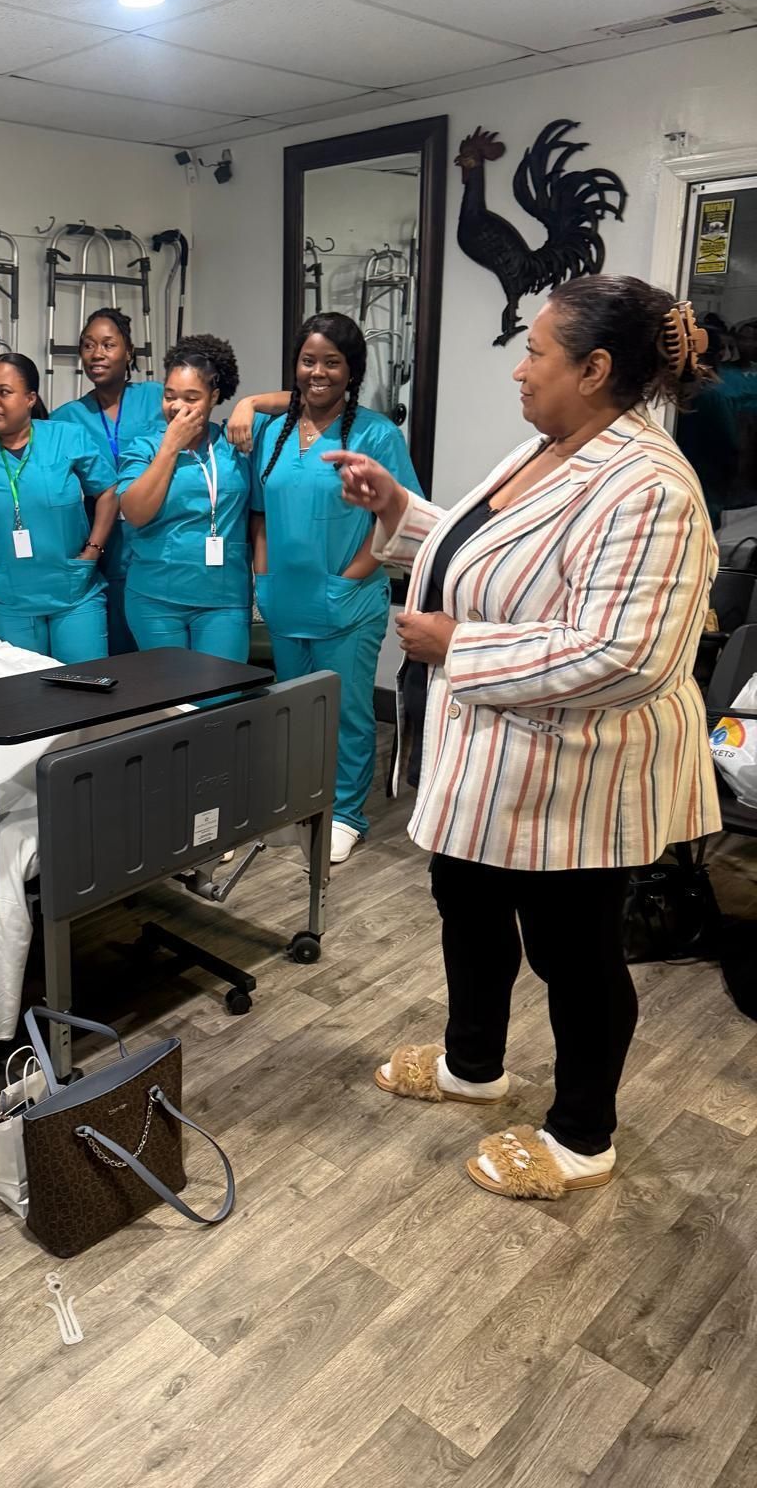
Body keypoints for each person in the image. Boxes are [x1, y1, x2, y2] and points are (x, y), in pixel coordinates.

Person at [330, 276, 719, 1201]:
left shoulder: (652, 487)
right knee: (464, 907)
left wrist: (459, 644)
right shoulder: (550, 443)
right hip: (494, 754)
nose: (519, 366)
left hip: (574, 772)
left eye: (536, 351)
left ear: (594, 369)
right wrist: (399, 510)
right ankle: (475, 1066)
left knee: (573, 953)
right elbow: (494, 553)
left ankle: (583, 1135)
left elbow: (633, 656)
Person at [249, 312, 421, 863]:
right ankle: (299, 803)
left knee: (346, 711)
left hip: (347, 598)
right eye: (307, 360)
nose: (316, 373)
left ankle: (346, 811)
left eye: (331, 362)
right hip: (285, 597)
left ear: (352, 371)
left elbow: (398, 517)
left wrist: (349, 580)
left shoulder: (377, 434)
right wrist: (263, 578)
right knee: (293, 709)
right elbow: (259, 514)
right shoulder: (272, 433)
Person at [0, 352, 117, 661]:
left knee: (86, 695)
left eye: (4, 392)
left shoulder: (66, 437)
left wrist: (93, 551)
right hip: (7, 600)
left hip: (74, 593)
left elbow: (108, 491)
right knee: (24, 700)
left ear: (30, 398)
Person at [118, 334, 252, 662]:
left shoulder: (233, 444)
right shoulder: (145, 447)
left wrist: (251, 403)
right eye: (169, 396)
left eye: (191, 397)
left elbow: (298, 401)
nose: (177, 406)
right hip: (155, 598)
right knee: (172, 703)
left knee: (223, 698)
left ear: (214, 397)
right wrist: (170, 446)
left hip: (224, 599)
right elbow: (134, 512)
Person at [48, 308, 165, 654]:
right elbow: (20, 438)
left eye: (108, 344)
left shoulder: (158, 397)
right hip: (103, 549)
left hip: (157, 540)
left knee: (159, 656)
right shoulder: (65, 417)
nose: (96, 354)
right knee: (113, 652)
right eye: (88, 345)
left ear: (129, 352)